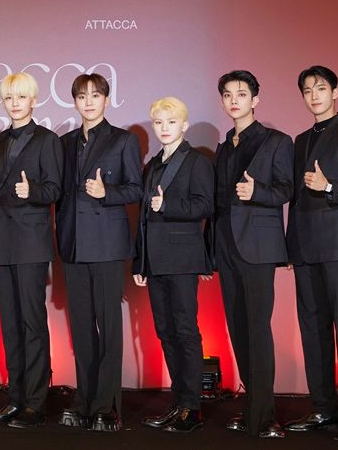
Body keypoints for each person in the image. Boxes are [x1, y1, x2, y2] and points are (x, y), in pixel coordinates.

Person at [284, 66, 338, 442]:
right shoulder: (301, 140)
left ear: (335, 92)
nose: (314, 96)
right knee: (312, 330)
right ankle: (324, 409)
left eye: (320, 88)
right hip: (304, 248)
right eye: (307, 91)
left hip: (337, 247)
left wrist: (329, 186)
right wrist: (290, 247)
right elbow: (294, 197)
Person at [54, 72, 142, 432]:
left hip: (106, 245)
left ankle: (107, 406)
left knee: (108, 328)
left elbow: (136, 188)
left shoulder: (123, 140)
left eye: (95, 95)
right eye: (81, 96)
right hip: (74, 245)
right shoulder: (64, 142)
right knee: (81, 329)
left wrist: (107, 193)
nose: (88, 102)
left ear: (107, 99)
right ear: (74, 101)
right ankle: (84, 401)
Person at [0, 72, 63, 429]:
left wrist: (34, 192)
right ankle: (15, 398)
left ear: (33, 101)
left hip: (31, 241)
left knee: (32, 322)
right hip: (3, 241)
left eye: (21, 97)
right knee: (10, 324)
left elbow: (55, 189)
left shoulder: (47, 140)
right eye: (9, 98)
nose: (14, 104)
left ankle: (36, 402)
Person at [210, 70, 293, 439]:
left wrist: (257, 192)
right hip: (227, 245)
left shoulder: (276, 141)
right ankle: (251, 409)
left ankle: (265, 415)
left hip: (258, 247)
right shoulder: (224, 146)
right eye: (228, 94)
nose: (234, 100)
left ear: (255, 99)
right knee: (238, 329)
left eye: (241, 94)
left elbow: (287, 189)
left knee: (258, 329)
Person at [132, 97, 213, 433]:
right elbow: (143, 219)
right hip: (155, 261)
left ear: (184, 125)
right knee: (165, 331)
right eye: (159, 122)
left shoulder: (197, 161)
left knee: (185, 331)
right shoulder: (152, 165)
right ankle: (178, 403)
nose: (164, 128)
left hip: (182, 259)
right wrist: (140, 261)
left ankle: (191, 408)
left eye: (171, 121)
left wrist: (169, 205)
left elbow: (205, 205)